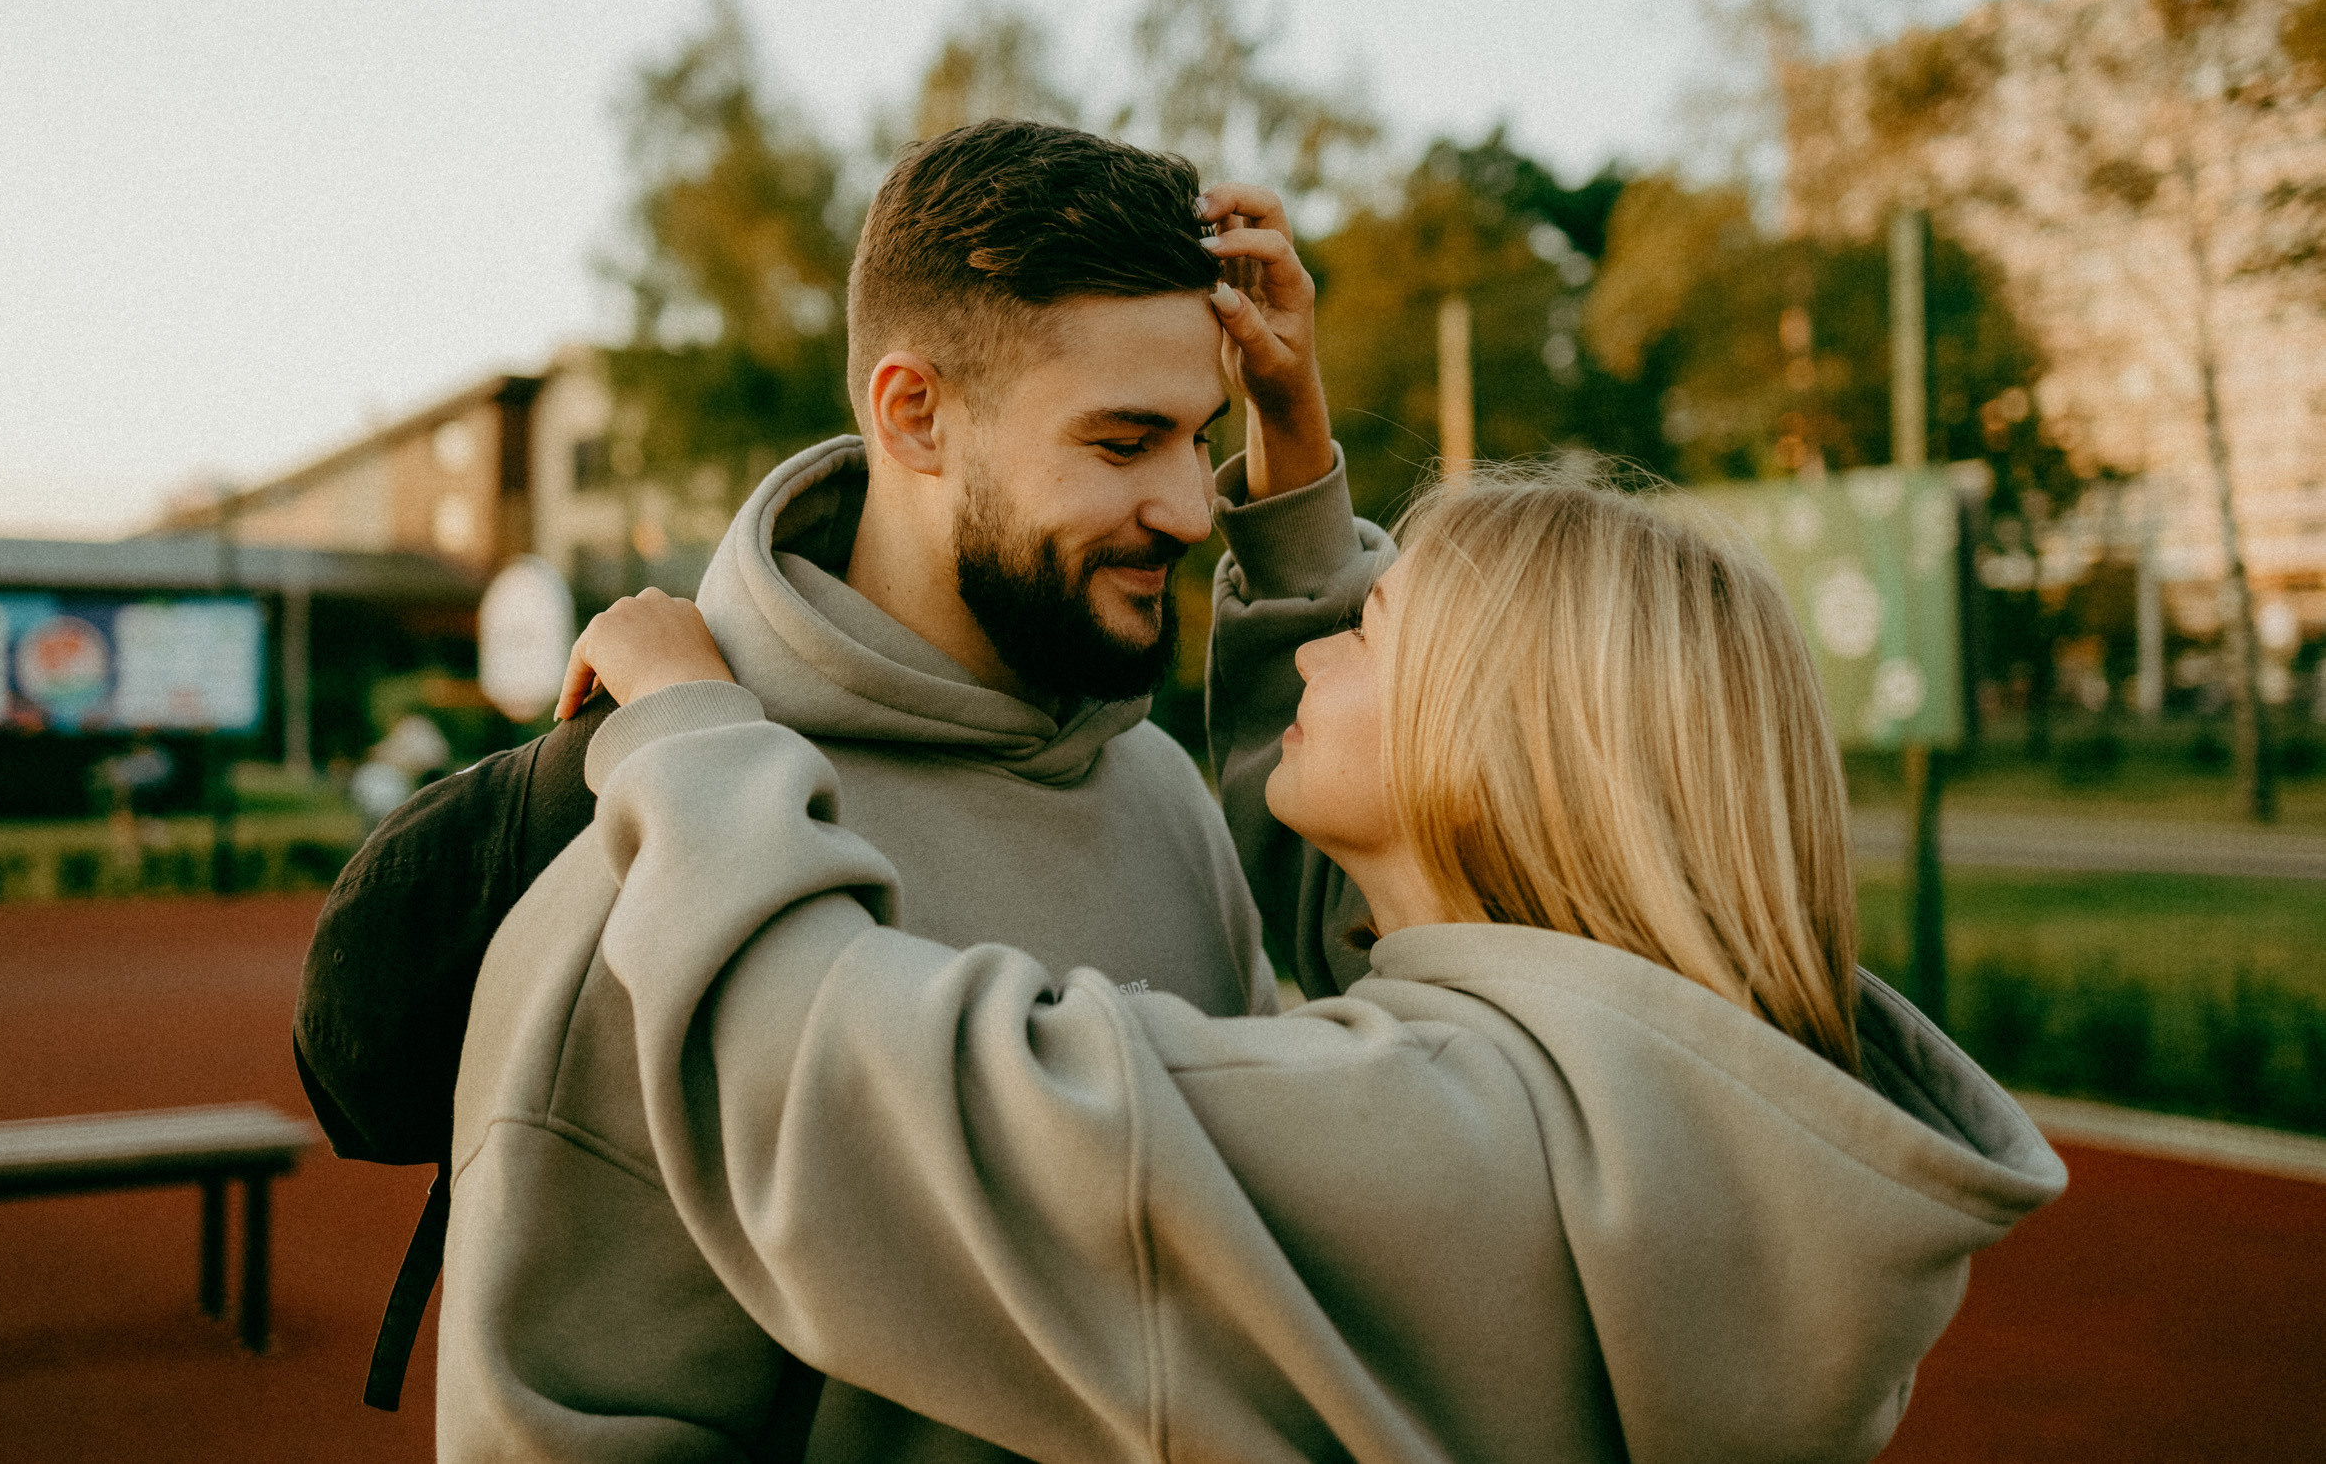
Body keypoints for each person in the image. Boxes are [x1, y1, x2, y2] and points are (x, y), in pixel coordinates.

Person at [544, 186, 2069, 1461]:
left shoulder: (1428, 1145)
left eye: (1375, 627)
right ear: (911, 416)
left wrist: (696, 747)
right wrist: (1290, 457)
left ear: (1507, 757)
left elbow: (861, 1100)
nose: (1309, 634)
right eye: (1126, 440)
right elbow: (1403, 929)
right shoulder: (1674, 1131)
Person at [436, 121, 1290, 1461]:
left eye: (1200, 437)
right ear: (914, 415)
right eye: (1127, 443)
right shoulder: (652, 852)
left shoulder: (1165, 793)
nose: (1192, 506)